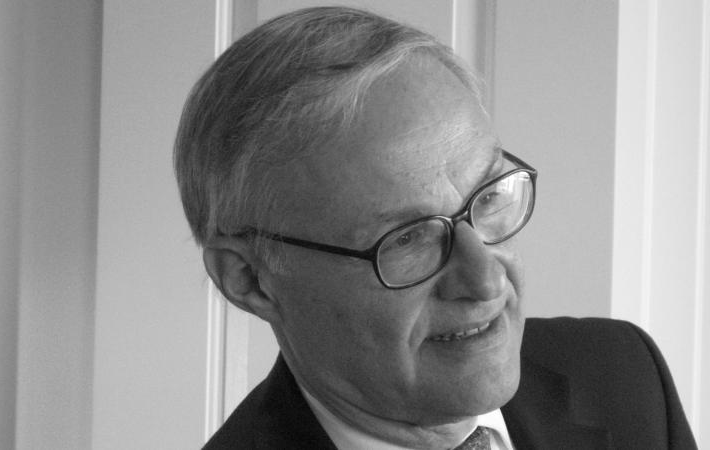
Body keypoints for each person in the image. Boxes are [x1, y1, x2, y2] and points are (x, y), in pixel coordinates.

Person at [174, 7, 696, 450]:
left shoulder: (625, 377)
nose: (487, 281)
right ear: (249, 279)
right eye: (407, 238)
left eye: (487, 197)